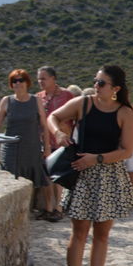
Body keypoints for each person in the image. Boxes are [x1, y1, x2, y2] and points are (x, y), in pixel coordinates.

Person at [46, 65, 133, 266]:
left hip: (107, 175)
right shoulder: (83, 103)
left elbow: (126, 150)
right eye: (95, 81)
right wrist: (57, 133)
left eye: (101, 83)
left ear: (116, 88)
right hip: (82, 175)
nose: (96, 86)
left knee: (102, 235)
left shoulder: (124, 113)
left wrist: (96, 159)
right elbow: (53, 117)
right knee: (79, 233)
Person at [0, 69, 51, 218]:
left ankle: (35, 211)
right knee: (10, 179)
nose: (18, 84)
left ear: (27, 83)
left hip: (31, 147)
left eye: (21, 80)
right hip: (11, 148)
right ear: (11, 84)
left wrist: (47, 147)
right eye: (15, 81)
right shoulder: (7, 101)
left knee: (33, 179)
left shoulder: (36, 101)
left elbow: (44, 126)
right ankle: (11, 214)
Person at [35, 66, 76, 220]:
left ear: (53, 78)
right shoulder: (38, 97)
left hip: (62, 142)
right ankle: (48, 207)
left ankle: (58, 208)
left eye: (44, 78)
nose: (40, 81)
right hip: (44, 142)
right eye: (39, 78)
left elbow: (76, 117)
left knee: (58, 176)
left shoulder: (67, 96)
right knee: (46, 176)